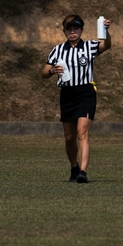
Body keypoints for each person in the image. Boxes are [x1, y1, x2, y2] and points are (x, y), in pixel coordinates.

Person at [42, 14, 111, 183]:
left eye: (76, 28)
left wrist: (107, 32)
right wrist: (52, 71)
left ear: (82, 30)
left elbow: (106, 45)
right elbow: (44, 72)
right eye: (69, 29)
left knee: (82, 132)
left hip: (85, 92)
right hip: (67, 94)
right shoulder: (57, 50)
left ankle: (83, 172)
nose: (73, 31)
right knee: (69, 137)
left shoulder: (89, 46)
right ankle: (74, 166)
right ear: (64, 31)